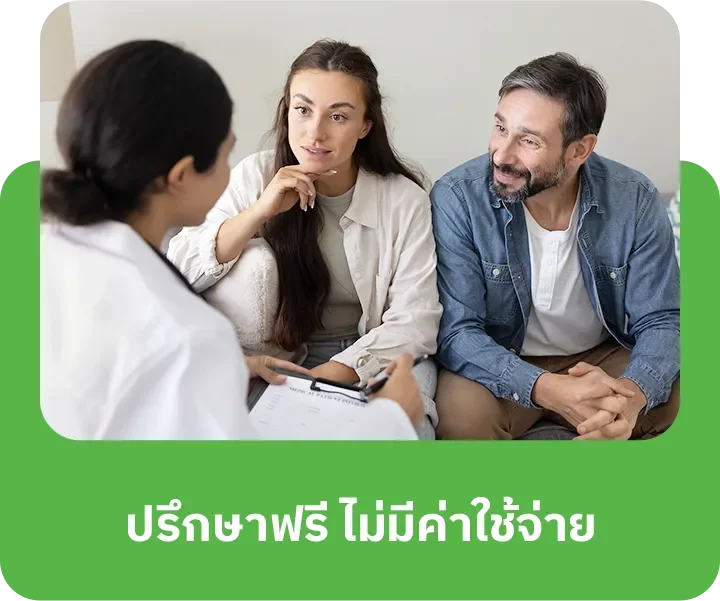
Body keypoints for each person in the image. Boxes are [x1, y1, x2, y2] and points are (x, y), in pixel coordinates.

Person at [40, 39, 426, 441]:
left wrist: (239, 366)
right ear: (182, 175)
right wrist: (391, 421)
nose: (315, 132)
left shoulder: (46, 256)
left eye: (338, 115)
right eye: (226, 154)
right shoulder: (190, 336)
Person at [166, 39, 443, 439]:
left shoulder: (403, 200)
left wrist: (324, 379)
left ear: (365, 126)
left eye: (338, 116)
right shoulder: (255, 176)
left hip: (377, 354)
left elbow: (415, 321)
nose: (315, 132)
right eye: (303, 109)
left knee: (404, 433)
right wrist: (258, 213)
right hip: (276, 359)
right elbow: (177, 274)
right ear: (287, 111)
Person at [429, 52, 680, 440]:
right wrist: (547, 388)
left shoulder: (634, 198)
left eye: (528, 140)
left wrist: (632, 395)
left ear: (579, 150)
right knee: (460, 417)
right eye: (500, 128)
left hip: (602, 359)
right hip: (502, 359)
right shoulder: (458, 197)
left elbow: (662, 318)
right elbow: (456, 331)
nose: (502, 154)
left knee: (683, 397)